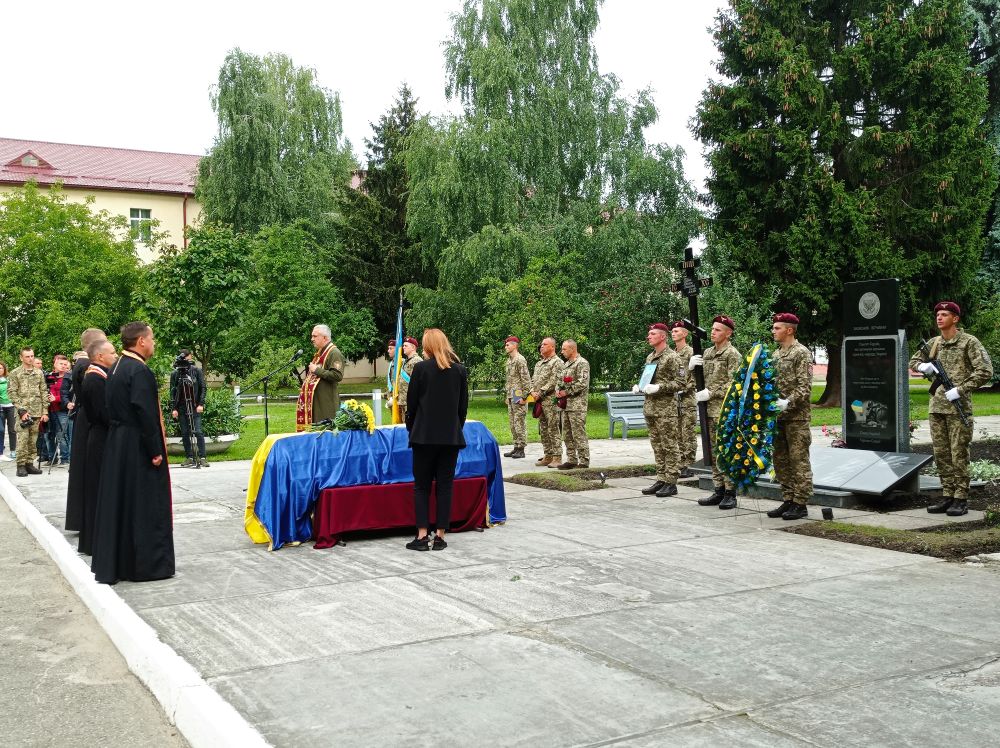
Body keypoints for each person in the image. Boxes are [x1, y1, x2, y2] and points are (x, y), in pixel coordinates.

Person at [91, 322, 174, 585]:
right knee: (144, 503)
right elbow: (145, 413)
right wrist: (155, 450)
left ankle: (122, 563)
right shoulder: (139, 370)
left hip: (119, 441)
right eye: (152, 338)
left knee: (123, 503)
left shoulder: (116, 366)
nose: (154, 343)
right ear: (141, 341)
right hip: (137, 444)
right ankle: (147, 565)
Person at [910, 301, 993, 516]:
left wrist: (961, 389)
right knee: (942, 454)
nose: (939, 317)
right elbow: (914, 360)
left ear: (955, 318)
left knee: (959, 454)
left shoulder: (969, 342)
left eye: (945, 314)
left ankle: (961, 498)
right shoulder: (934, 343)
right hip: (937, 407)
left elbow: (985, 371)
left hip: (958, 408)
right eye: (938, 314)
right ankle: (947, 495)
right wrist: (922, 366)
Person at [404, 328, 469, 551]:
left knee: (422, 486)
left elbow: (411, 405)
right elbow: (462, 408)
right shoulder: (459, 371)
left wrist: (412, 429)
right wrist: (454, 429)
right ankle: (440, 535)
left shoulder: (421, 369)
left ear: (429, 346)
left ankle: (422, 536)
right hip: (450, 437)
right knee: (445, 486)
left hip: (424, 436)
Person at [767, 313, 814, 520]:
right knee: (780, 460)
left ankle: (800, 503)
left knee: (798, 461)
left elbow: (805, 387)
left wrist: (788, 402)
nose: (773, 331)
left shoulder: (801, 352)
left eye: (777, 328)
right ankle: (788, 498)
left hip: (797, 418)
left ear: (789, 330)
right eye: (773, 327)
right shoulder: (776, 355)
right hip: (778, 417)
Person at [692, 316, 742, 510]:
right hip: (708, 410)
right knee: (713, 452)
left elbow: (734, 383)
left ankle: (730, 493)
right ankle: (718, 489)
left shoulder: (732, 354)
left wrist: (711, 393)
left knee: (726, 452)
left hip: (724, 411)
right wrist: (691, 368)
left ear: (728, 333)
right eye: (712, 329)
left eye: (718, 330)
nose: (713, 332)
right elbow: (699, 379)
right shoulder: (708, 353)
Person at [77, 339, 118, 556]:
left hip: (101, 436)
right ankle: (95, 542)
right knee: (97, 491)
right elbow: (104, 414)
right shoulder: (94, 378)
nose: (116, 356)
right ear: (100, 356)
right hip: (100, 438)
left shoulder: (99, 375)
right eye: (112, 352)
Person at [66, 328, 107, 532]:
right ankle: (86, 519)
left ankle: (81, 519)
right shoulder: (86, 365)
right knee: (86, 470)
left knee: (82, 470)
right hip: (88, 419)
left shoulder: (81, 363)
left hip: (84, 416)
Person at [636, 323, 683, 497]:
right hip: (650, 408)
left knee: (669, 445)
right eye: (649, 333)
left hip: (666, 410)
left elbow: (681, 383)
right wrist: (640, 387)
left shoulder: (672, 357)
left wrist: (659, 387)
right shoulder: (650, 357)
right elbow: (648, 378)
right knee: (657, 446)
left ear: (663, 336)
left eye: (653, 334)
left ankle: (671, 482)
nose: (649, 336)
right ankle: (661, 478)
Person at [296, 324, 346, 430]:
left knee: (326, 435)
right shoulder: (320, 353)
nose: (312, 339)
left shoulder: (334, 353)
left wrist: (316, 370)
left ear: (325, 338)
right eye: (312, 336)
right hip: (318, 405)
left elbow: (337, 375)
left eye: (315, 336)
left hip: (326, 406)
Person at [8, 347, 48, 477]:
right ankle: (21, 465)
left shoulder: (39, 373)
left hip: (37, 411)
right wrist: (21, 410)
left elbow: (43, 391)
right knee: (23, 440)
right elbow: (12, 393)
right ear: (21, 358)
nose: (30, 359)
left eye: (32, 356)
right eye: (27, 356)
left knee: (33, 440)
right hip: (22, 413)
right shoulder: (15, 373)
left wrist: (45, 412)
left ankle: (29, 464)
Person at [555, 340, 591, 469]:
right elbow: (559, 381)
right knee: (567, 434)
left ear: (572, 349)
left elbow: (582, 383)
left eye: (564, 349)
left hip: (577, 406)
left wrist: (566, 392)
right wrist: (558, 390)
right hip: (565, 405)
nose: (562, 352)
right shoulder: (566, 364)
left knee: (578, 434)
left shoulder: (582, 363)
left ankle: (584, 461)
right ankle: (571, 459)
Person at [170, 350, 208, 468]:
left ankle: (202, 457)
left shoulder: (196, 371)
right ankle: (189, 457)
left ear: (190, 357)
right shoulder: (175, 373)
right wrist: (174, 408)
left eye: (186, 357)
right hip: (181, 407)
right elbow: (173, 391)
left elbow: (203, 387)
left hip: (194, 406)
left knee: (198, 431)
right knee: (185, 433)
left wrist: (201, 404)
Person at [670, 321, 698, 477]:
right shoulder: (672, 354)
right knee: (677, 433)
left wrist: (683, 388)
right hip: (674, 400)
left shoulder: (691, 353)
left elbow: (695, 377)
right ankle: (680, 462)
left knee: (687, 433)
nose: (673, 333)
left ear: (685, 334)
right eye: (672, 331)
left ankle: (689, 464)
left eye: (676, 331)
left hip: (687, 399)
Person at [530, 337, 563, 466]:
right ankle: (548, 455)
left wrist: (540, 392)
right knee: (543, 429)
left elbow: (554, 381)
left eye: (545, 344)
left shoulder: (557, 362)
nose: (542, 346)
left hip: (550, 401)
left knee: (553, 428)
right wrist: (532, 391)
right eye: (541, 344)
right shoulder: (539, 363)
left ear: (552, 347)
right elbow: (533, 380)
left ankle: (557, 457)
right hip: (540, 401)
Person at [502, 336, 531, 459]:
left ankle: (521, 448)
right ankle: (516, 446)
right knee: (513, 423)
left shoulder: (520, 360)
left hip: (519, 394)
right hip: (511, 394)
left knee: (519, 422)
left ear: (515, 345)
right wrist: (507, 396)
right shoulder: (509, 361)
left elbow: (526, 379)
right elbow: (509, 380)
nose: (506, 347)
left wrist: (525, 397)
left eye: (508, 345)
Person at [45, 354, 73, 466]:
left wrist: (55, 398)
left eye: (65, 364)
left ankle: (65, 458)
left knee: (62, 434)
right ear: (55, 364)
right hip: (49, 409)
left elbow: (68, 395)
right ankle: (52, 457)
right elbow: (46, 390)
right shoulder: (50, 376)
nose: (63, 366)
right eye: (61, 364)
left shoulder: (69, 377)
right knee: (48, 434)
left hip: (62, 410)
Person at [395, 336, 421, 424]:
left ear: (413, 347)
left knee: (411, 425)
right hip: (404, 400)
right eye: (403, 345)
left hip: (410, 401)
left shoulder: (416, 361)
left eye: (406, 346)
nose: (403, 347)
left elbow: (417, 383)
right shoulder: (406, 361)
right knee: (404, 425)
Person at [0, 360, 17, 461]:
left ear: (4, 369)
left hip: (11, 406)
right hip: (1, 407)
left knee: (12, 430)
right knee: (1, 430)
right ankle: (1, 451)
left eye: (1, 368)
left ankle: (13, 450)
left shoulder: (9, 379)